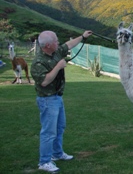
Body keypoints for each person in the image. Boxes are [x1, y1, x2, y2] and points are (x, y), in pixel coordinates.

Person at [31, 30, 92, 173]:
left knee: (60, 128)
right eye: (55, 41)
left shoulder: (55, 51)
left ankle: (57, 153)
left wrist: (82, 37)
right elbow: (45, 81)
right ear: (47, 45)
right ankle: (44, 161)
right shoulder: (38, 62)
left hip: (57, 97)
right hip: (47, 100)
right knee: (48, 132)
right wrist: (58, 66)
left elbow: (68, 45)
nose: (58, 43)